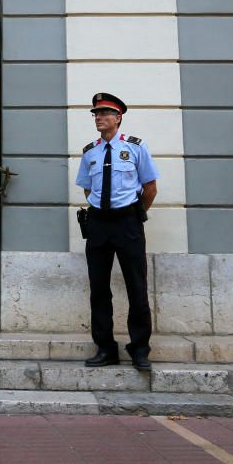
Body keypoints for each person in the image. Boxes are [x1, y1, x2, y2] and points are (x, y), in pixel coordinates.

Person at [75, 93, 159, 371]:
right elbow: (88, 188)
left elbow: (150, 188)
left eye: (104, 113)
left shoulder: (135, 147)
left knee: (137, 286)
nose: (98, 117)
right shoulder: (90, 152)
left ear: (118, 117)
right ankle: (105, 348)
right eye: (95, 114)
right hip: (98, 223)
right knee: (99, 288)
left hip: (128, 223)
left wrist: (135, 214)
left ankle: (139, 349)